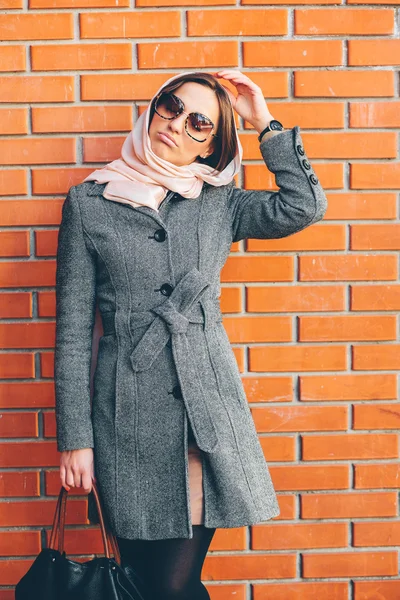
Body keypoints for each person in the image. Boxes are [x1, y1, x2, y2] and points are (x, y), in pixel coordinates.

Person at [54, 70, 328, 599]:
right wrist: (76, 439)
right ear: (155, 109)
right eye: (171, 106)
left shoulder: (220, 203)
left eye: (198, 122)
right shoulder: (88, 204)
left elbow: (304, 206)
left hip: (203, 418)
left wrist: (263, 121)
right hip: (125, 422)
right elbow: (70, 333)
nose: (176, 123)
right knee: (141, 580)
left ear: (211, 146)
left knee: (174, 584)